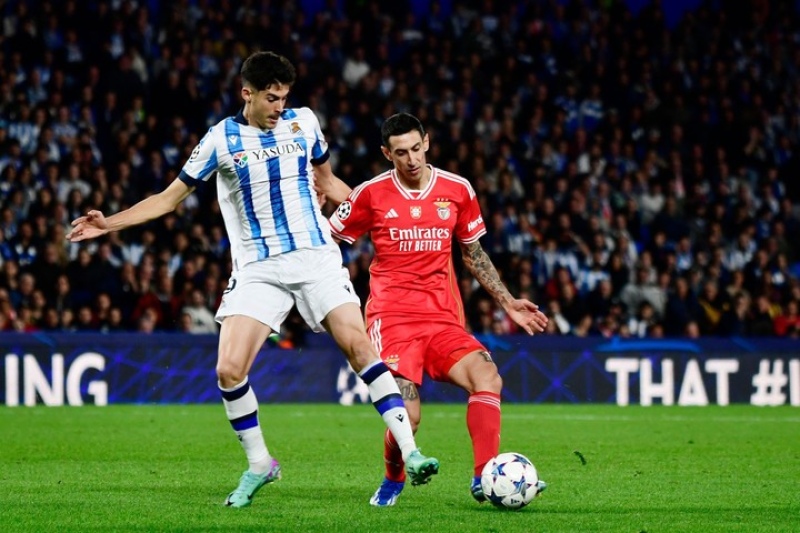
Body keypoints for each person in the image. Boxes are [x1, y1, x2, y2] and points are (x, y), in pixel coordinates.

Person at [66, 52, 438, 508]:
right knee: (228, 370)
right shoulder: (220, 140)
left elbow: (331, 181)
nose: (280, 106)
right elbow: (168, 199)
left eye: (284, 97)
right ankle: (260, 464)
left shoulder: (304, 123)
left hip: (315, 256)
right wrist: (109, 224)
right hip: (259, 268)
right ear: (247, 93)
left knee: (359, 346)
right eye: (271, 98)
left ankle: (412, 451)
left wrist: (386, 224)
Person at [315, 112, 549, 506]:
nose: (411, 159)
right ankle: (394, 476)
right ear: (386, 153)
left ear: (427, 141)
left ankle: (485, 478)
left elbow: (472, 254)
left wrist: (508, 302)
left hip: (442, 318)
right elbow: (325, 242)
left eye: (417, 148)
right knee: (408, 415)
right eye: (401, 152)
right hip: (391, 320)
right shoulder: (370, 195)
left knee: (487, 378)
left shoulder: (457, 190)